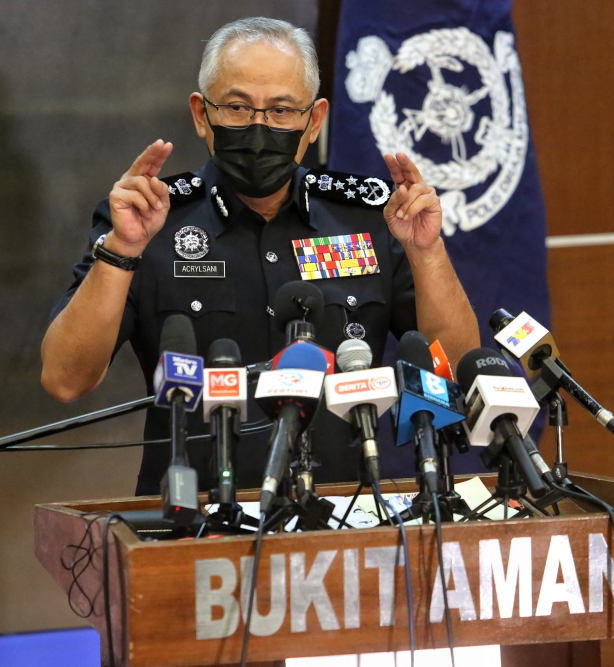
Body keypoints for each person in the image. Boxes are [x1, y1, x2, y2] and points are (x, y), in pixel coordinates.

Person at [41, 17, 479, 495]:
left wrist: (427, 251)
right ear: (200, 114)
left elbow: (455, 371)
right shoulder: (148, 223)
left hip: (343, 518)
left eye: (281, 110)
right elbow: (65, 379)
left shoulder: (368, 220)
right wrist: (121, 252)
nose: (258, 127)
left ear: (313, 121)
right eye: (236, 107)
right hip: (194, 521)